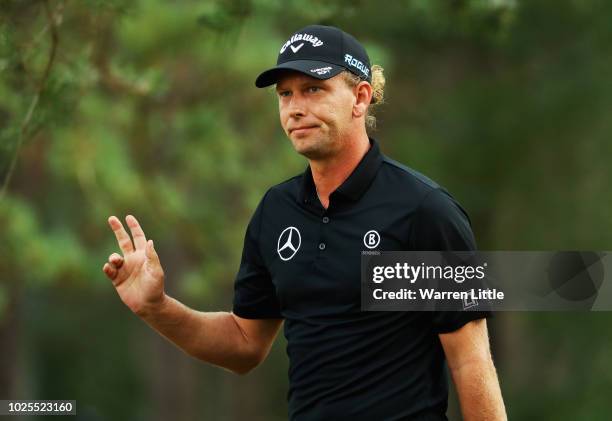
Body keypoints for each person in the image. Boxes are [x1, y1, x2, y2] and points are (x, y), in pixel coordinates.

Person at [103, 24, 507, 421]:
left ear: (360, 97)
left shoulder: (423, 211)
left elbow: (470, 364)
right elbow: (244, 345)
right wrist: (157, 308)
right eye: (285, 94)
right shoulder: (276, 212)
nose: (295, 107)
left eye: (313, 89)